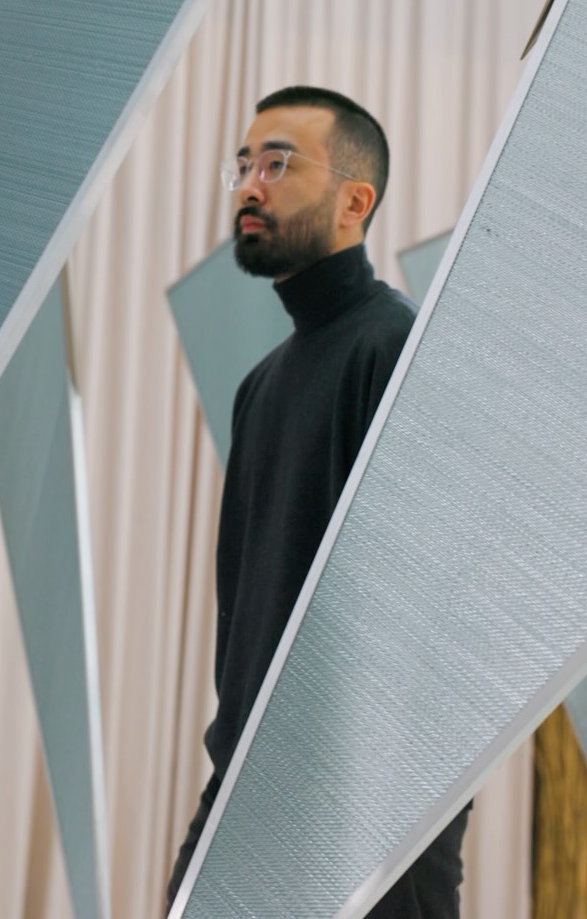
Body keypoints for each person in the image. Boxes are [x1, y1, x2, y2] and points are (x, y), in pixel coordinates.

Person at [166, 85, 469, 916]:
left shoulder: (398, 347)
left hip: (367, 818)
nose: (249, 186)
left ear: (354, 202)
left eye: (276, 164)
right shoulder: (261, 385)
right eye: (242, 166)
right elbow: (244, 609)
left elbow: (434, 621)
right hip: (247, 786)